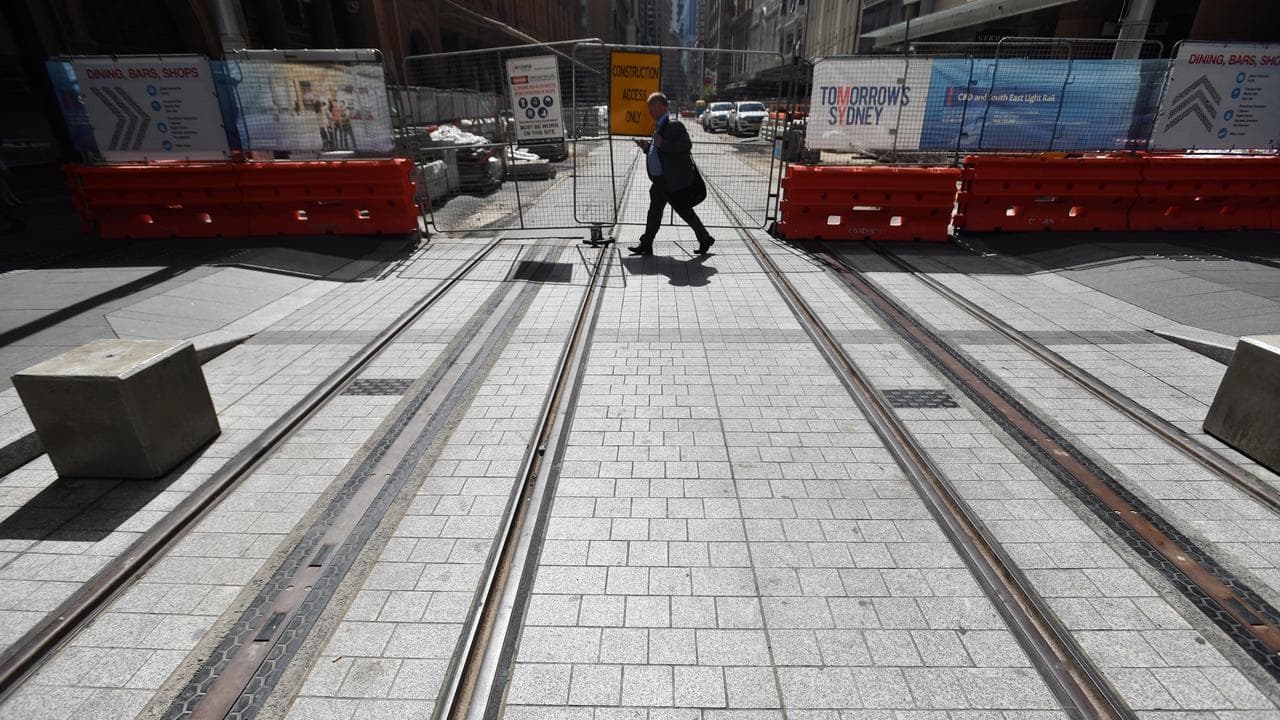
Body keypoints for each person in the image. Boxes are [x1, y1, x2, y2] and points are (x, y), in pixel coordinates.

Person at [628, 92, 715, 256]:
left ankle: (704, 238)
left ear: (659, 106)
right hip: (661, 181)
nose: (649, 111)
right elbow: (660, 152)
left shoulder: (673, 125)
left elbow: (685, 145)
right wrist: (647, 148)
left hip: (671, 180)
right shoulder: (660, 125)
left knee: (684, 211)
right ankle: (646, 243)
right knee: (655, 211)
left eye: (650, 107)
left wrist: (664, 144)